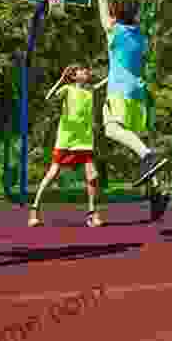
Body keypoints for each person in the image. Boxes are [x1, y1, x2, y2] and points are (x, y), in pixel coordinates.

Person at [92, 0, 170, 221]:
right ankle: (158, 189)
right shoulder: (139, 36)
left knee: (112, 130)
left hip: (120, 91)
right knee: (134, 138)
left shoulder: (115, 33)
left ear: (116, 15)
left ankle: (149, 155)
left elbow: (104, 12)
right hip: (139, 92)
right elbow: (123, 14)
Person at [28, 64, 108, 227]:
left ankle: (92, 214)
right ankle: (34, 210)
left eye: (86, 70)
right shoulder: (67, 89)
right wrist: (61, 80)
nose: (86, 71)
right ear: (74, 76)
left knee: (92, 176)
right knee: (52, 174)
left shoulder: (90, 90)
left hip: (84, 141)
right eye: (82, 70)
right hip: (66, 139)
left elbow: (106, 82)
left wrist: (118, 72)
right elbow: (49, 98)